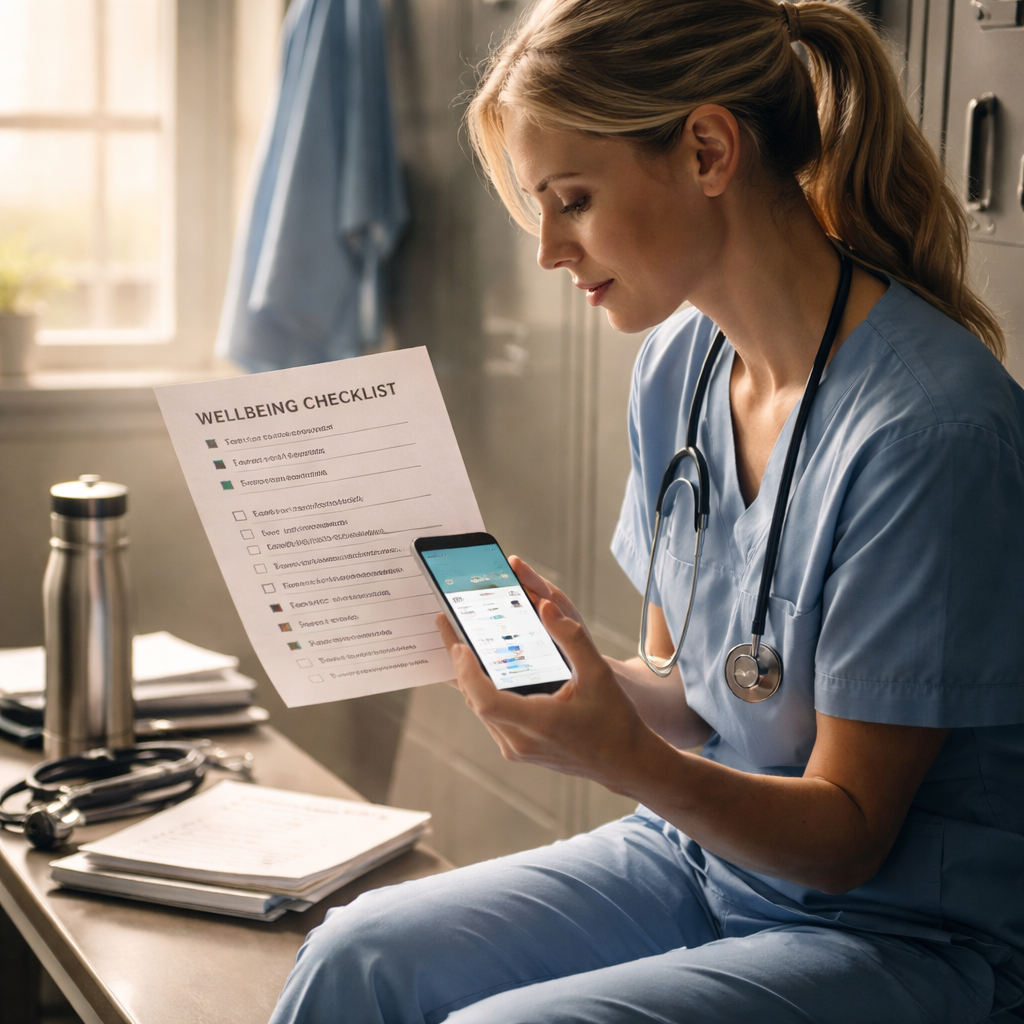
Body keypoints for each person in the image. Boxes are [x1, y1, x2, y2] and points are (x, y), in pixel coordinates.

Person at [270, 0, 1024, 1020]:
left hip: (899, 932)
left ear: (708, 148)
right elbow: (690, 694)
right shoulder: (680, 362)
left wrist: (615, 754)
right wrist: (585, 671)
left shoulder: (928, 433)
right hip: (703, 859)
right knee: (354, 951)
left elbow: (846, 838)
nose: (547, 249)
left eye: (570, 199)